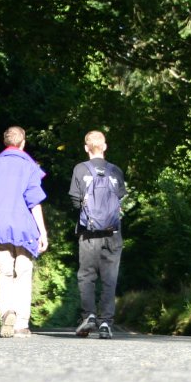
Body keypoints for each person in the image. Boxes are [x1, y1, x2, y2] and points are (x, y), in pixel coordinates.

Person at [0, 125, 49, 338]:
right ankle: (21, 324)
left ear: (5, 143)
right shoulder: (29, 167)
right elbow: (34, 201)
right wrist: (42, 232)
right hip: (23, 227)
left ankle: (7, 311)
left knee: (4, 272)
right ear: (23, 143)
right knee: (23, 272)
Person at [69, 130, 126, 339]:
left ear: (86, 148)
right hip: (113, 232)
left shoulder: (79, 169)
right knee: (109, 278)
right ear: (105, 146)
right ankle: (106, 324)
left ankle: (89, 316)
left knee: (87, 276)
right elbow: (119, 199)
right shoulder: (116, 171)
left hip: (88, 232)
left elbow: (75, 201)